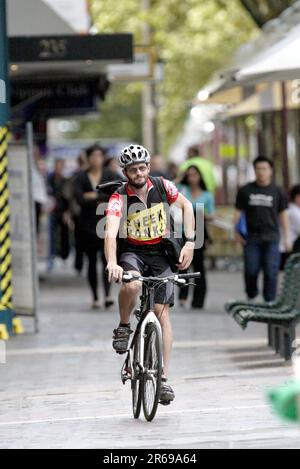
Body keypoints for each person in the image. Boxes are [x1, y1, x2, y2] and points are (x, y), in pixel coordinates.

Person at [104, 145, 195, 405]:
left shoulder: (163, 186)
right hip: (132, 252)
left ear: (148, 168)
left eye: (142, 167)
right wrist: (113, 262)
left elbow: (187, 207)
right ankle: (123, 327)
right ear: (126, 172)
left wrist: (190, 242)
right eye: (133, 170)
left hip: (160, 253)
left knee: (162, 312)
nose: (139, 173)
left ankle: (163, 379)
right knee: (131, 286)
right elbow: (110, 232)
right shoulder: (118, 197)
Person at [234, 155, 290, 303]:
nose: (261, 172)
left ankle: (269, 300)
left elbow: (283, 214)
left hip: (272, 237)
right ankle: (251, 296)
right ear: (254, 170)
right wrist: (236, 233)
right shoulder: (246, 190)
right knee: (251, 270)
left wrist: (287, 237)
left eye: (264, 169)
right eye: (258, 169)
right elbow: (237, 213)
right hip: (251, 237)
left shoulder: (277, 191)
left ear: (270, 171)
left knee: (271, 271)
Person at [75, 144, 118, 309]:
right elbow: (79, 198)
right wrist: (101, 197)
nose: (96, 159)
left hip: (107, 223)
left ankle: (107, 294)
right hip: (86, 226)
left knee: (107, 259)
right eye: (93, 156)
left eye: (99, 156)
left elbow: (115, 195)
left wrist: (93, 196)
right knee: (91, 261)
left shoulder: (110, 175)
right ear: (88, 158)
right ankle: (95, 296)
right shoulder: (81, 177)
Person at [177, 165, 215, 309]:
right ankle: (182, 296)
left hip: (199, 229)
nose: (192, 178)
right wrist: (180, 177)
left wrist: (198, 213)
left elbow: (212, 214)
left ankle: (198, 299)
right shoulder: (181, 189)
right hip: (181, 230)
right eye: (189, 175)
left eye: (195, 175)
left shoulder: (206, 195)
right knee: (182, 264)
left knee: (199, 266)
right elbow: (168, 190)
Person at [47, 159, 70, 271]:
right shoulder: (49, 180)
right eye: (57, 166)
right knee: (51, 234)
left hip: (63, 211)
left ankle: (64, 256)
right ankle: (51, 256)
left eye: (60, 166)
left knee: (64, 234)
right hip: (52, 211)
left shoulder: (65, 181)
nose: (58, 169)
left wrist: (67, 212)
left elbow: (68, 198)